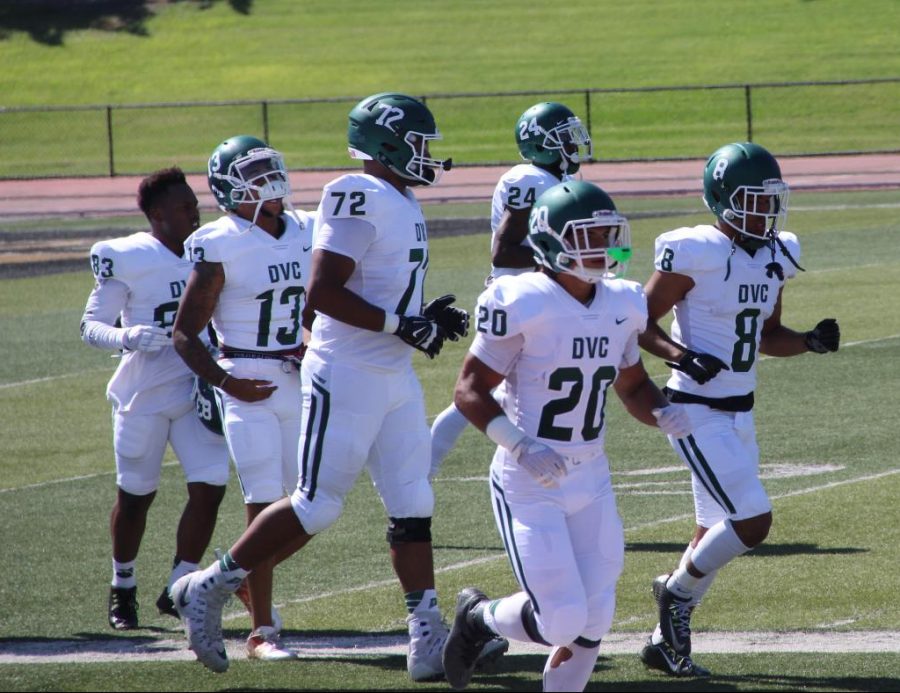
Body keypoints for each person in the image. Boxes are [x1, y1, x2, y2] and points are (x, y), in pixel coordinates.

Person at [170, 92, 504, 680]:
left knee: (413, 501)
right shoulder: (357, 193)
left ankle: (425, 640)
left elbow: (374, 288)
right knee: (316, 505)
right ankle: (211, 586)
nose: (429, 156)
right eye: (419, 145)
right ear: (388, 145)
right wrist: (405, 322)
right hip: (346, 369)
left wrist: (421, 316)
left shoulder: (398, 196)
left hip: (391, 370)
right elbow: (322, 291)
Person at [441, 180, 694, 692]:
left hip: (592, 475)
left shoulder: (623, 301)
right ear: (551, 243)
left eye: (608, 234)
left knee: (596, 618)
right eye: (589, 236)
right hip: (529, 480)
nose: (604, 246)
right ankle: (478, 619)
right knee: (560, 619)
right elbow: (469, 390)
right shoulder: (520, 299)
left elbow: (633, 383)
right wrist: (519, 443)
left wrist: (662, 413)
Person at [635, 142, 841, 677]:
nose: (765, 212)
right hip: (693, 409)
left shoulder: (775, 252)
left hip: (740, 411)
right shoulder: (696, 251)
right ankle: (676, 595)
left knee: (712, 530)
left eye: (771, 200)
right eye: (753, 200)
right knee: (753, 520)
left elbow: (768, 335)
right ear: (723, 199)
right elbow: (639, 322)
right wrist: (683, 355)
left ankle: (663, 642)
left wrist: (809, 342)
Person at [171, 135, 314, 661]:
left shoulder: (305, 228)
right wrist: (227, 383)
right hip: (246, 374)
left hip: (297, 372)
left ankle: (214, 581)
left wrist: (313, 339)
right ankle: (262, 633)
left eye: (270, 170)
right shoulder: (220, 241)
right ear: (229, 187)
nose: (269, 183)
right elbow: (185, 333)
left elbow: (316, 298)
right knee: (263, 499)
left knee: (313, 505)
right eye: (254, 175)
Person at [80, 167, 230, 631]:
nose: (195, 210)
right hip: (142, 394)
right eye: (185, 205)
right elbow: (90, 327)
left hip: (193, 388)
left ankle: (180, 584)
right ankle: (122, 585)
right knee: (135, 496)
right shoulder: (127, 256)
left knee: (210, 484)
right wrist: (127, 336)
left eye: (195, 203)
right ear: (158, 214)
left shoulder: (208, 247)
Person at [430, 101, 593, 479]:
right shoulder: (530, 179)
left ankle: (529, 460)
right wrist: (568, 261)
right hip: (518, 294)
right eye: (564, 136)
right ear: (541, 144)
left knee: (516, 390)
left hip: (543, 293)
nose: (573, 142)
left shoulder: (560, 181)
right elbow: (504, 250)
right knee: (488, 392)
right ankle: (425, 467)